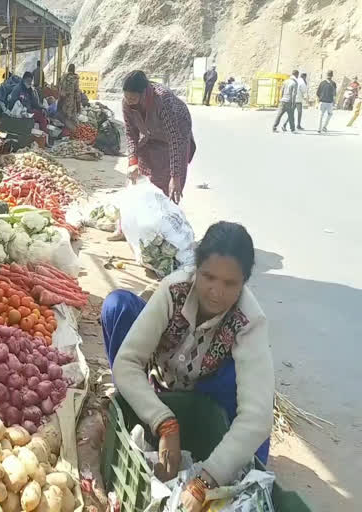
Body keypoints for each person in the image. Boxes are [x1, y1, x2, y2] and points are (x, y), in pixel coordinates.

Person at [102, 221, 274, 512]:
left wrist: (206, 479)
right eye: (208, 277)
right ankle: (135, 409)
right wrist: (164, 422)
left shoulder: (249, 320)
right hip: (159, 381)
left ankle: (239, 468)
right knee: (117, 305)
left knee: (249, 392)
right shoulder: (174, 289)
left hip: (207, 393)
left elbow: (257, 417)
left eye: (230, 283)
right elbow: (128, 362)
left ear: (244, 281)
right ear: (196, 268)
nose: (216, 292)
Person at [122, 70, 195, 203]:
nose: (129, 101)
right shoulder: (127, 102)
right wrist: (132, 162)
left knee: (167, 187)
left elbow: (175, 140)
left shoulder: (162, 99)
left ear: (143, 93)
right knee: (144, 177)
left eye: (132, 98)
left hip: (177, 135)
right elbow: (130, 133)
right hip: (151, 135)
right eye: (126, 97)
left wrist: (175, 177)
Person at [57, 64, 82, 131]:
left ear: (68, 69)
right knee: (70, 116)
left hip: (63, 100)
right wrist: (78, 104)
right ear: (74, 69)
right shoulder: (75, 78)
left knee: (63, 115)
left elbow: (59, 88)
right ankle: (71, 131)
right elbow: (77, 92)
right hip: (71, 101)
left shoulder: (63, 77)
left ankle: (64, 131)